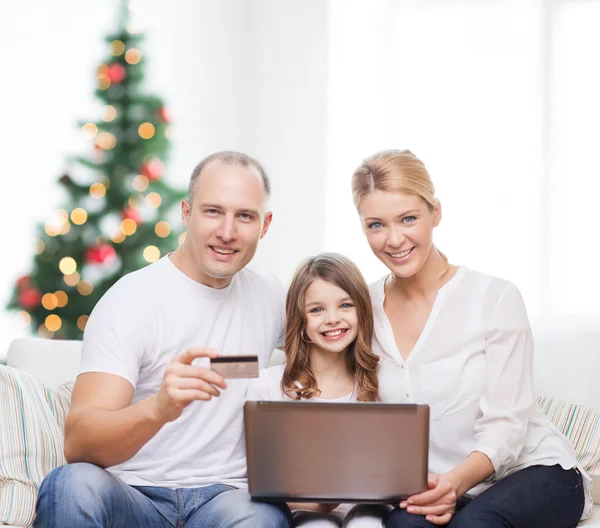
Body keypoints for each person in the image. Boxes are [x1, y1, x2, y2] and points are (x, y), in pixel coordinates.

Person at [34, 151, 293, 528]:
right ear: (186, 213)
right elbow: (79, 442)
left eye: (245, 216)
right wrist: (159, 408)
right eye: (213, 212)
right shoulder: (131, 300)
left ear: (265, 225)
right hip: (135, 496)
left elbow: (345, 340)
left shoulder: (272, 297)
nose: (227, 232)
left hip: (229, 500)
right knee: (70, 484)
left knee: (263, 518)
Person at [350, 149, 593, 528]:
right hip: (434, 486)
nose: (394, 239)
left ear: (436, 213)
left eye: (408, 218)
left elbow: (507, 427)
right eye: (376, 225)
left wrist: (453, 484)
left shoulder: (495, 298)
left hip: (531, 471)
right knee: (401, 526)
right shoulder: (360, 308)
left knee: (474, 526)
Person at [247, 252, 392, 528]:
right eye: (317, 309)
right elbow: (261, 481)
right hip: (303, 511)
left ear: (362, 310)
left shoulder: (379, 384)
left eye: (345, 305)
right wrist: (320, 503)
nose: (332, 319)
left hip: (368, 507)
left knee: (366, 524)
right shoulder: (267, 387)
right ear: (300, 321)